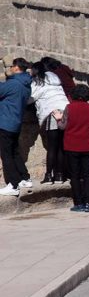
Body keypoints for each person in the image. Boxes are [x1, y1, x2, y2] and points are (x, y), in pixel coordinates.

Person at [52, 84, 89, 212]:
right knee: (88, 175)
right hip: (87, 145)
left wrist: (58, 119)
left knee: (75, 176)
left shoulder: (70, 107)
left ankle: (78, 203)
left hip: (71, 146)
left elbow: (63, 126)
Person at [29, 62, 69, 184]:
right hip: (65, 110)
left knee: (52, 147)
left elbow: (29, 99)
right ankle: (60, 175)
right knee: (61, 146)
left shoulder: (38, 82)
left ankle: (48, 176)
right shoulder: (56, 80)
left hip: (51, 113)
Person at [0, 58, 33, 196]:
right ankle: (24, 178)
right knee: (15, 152)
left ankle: (13, 185)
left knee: (6, 154)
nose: (11, 68)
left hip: (6, 121)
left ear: (17, 67)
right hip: (16, 122)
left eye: (12, 66)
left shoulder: (13, 83)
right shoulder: (26, 84)